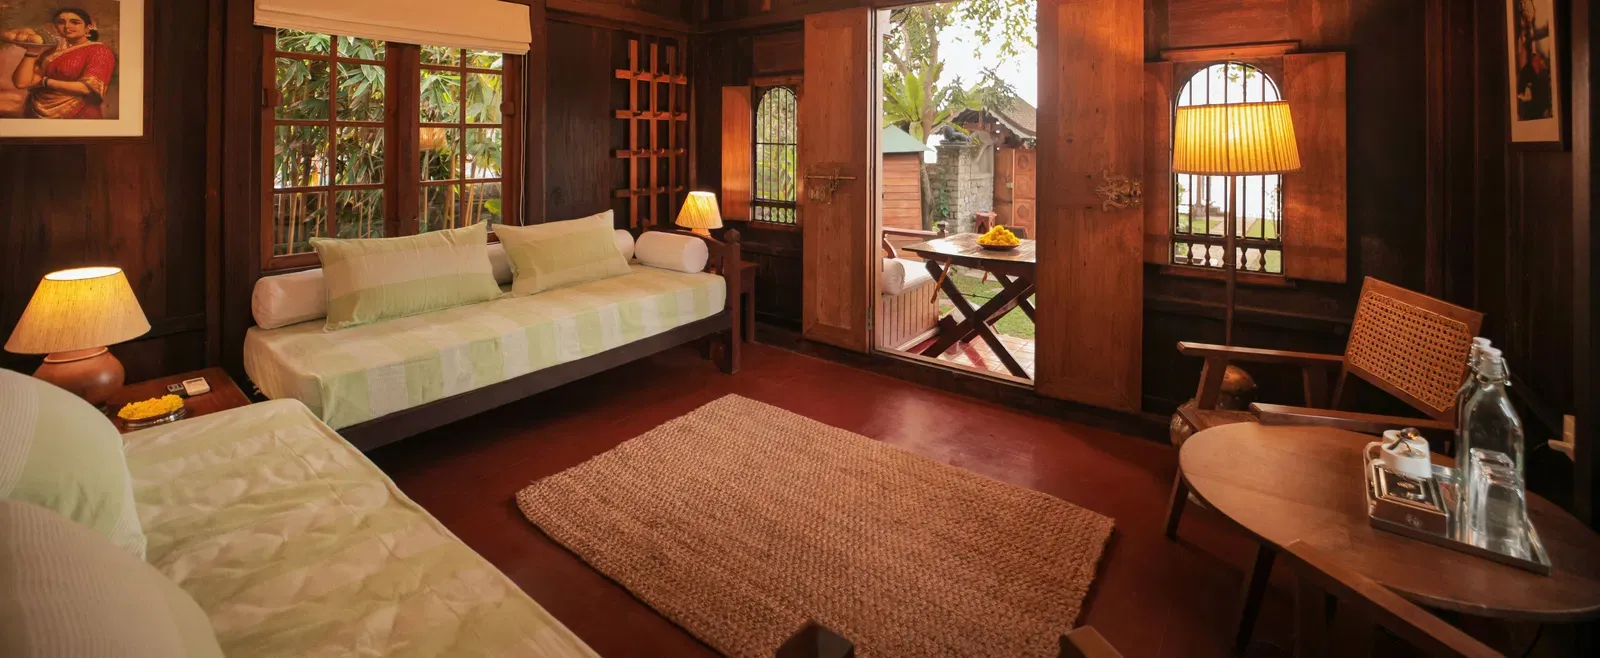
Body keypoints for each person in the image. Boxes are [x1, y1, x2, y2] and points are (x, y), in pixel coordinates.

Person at [10, 8, 116, 119]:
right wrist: (31, 51)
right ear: (55, 27)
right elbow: (21, 83)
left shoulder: (99, 50)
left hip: (78, 114)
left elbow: (87, 88)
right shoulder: (50, 52)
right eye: (61, 22)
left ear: (88, 28)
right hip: (34, 112)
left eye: (75, 22)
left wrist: (45, 82)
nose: (67, 26)